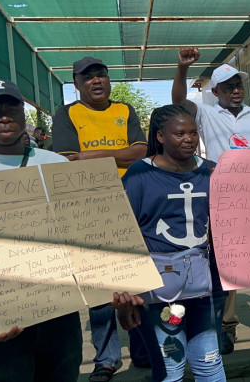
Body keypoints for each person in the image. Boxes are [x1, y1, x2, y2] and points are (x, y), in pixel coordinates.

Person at [0, 77, 142, 381]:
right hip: (0, 319)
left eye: (12, 107)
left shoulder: (58, 166)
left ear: (24, 114)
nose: (4, 115)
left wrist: (122, 293)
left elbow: (93, 234)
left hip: (59, 316)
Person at [173, 48, 250, 352]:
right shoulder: (205, 113)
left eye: (239, 85)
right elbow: (178, 100)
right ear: (215, 91)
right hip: (223, 199)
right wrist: (181, 68)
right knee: (227, 261)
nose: (236, 90)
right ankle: (227, 327)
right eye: (229, 86)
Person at [51, 56, 148, 382]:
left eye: (101, 76)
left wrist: (91, 155)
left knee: (137, 285)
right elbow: (67, 160)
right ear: (77, 84)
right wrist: (118, 154)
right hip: (91, 209)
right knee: (100, 294)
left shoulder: (125, 111)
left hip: (133, 202)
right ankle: (106, 360)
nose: (96, 81)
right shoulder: (66, 115)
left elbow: (140, 150)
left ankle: (142, 350)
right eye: (88, 77)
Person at [117, 104, 226, 381]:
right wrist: (125, 289)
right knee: (170, 368)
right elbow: (124, 232)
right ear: (161, 136)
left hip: (202, 285)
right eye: (179, 133)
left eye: (193, 132)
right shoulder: (139, 174)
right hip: (156, 288)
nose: (189, 139)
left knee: (210, 362)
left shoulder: (212, 172)